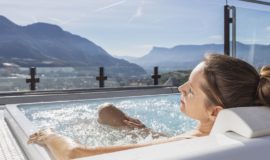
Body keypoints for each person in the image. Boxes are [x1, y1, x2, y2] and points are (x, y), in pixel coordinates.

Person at [27, 54, 270, 160]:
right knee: (107, 111)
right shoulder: (206, 131)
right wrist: (148, 134)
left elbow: (74, 155)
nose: (180, 88)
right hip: (161, 138)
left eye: (191, 90)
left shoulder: (191, 145)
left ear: (215, 112)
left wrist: (51, 136)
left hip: (165, 142)